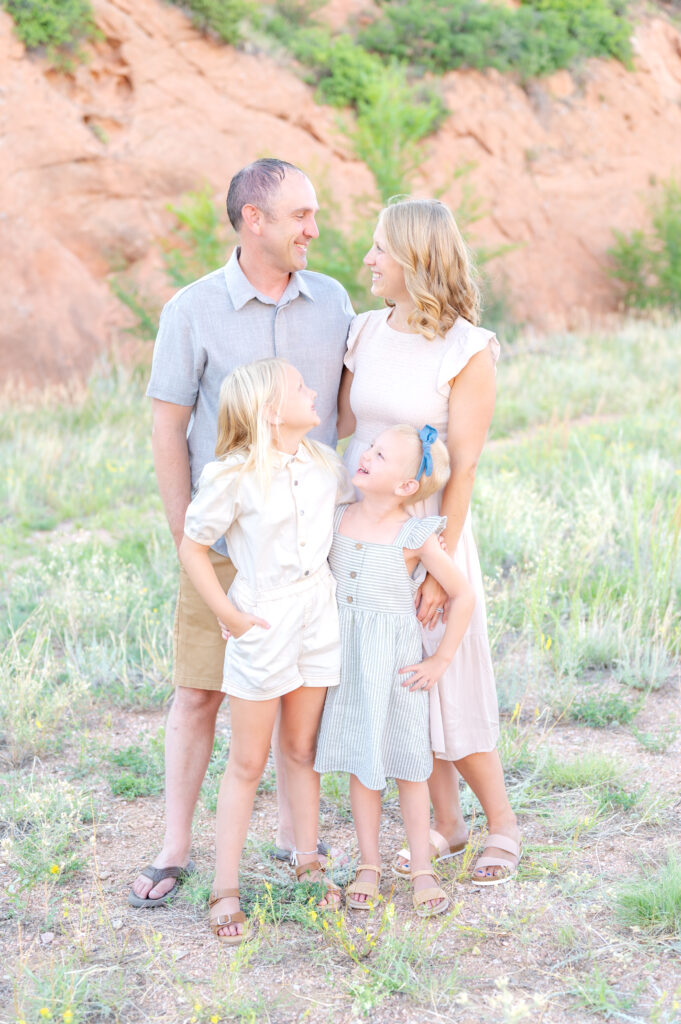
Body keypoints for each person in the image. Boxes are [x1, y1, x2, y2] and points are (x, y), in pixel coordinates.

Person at [129, 158, 354, 908]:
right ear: (252, 220)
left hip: (307, 552)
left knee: (300, 698)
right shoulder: (191, 309)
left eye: (314, 214)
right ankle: (174, 846)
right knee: (197, 693)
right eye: (300, 216)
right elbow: (167, 423)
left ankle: (300, 847)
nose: (313, 230)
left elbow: (343, 413)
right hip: (221, 546)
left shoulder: (332, 301)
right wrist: (183, 531)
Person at [337, 198, 522, 886]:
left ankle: (501, 823)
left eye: (380, 248)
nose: (368, 260)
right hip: (365, 535)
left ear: (415, 258)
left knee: (450, 673)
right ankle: (446, 825)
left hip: (431, 537)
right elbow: (341, 427)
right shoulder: (361, 332)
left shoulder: (465, 349)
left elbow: (464, 466)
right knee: (399, 678)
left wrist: (431, 565)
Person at [180, 357, 354, 943]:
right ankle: (224, 886)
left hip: (317, 614)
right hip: (263, 618)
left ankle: (307, 859)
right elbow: (193, 546)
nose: (315, 391)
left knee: (302, 749)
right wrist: (229, 613)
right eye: (302, 387)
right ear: (271, 411)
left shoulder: (325, 464)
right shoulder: (233, 473)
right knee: (249, 760)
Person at [315, 425, 475, 916]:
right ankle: (369, 863)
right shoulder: (338, 518)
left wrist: (440, 659)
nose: (365, 454)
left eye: (381, 455)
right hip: (348, 664)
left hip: (399, 668)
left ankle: (423, 867)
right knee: (364, 765)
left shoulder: (415, 535)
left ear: (407, 486)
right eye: (371, 447)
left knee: (408, 764)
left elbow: (463, 594)